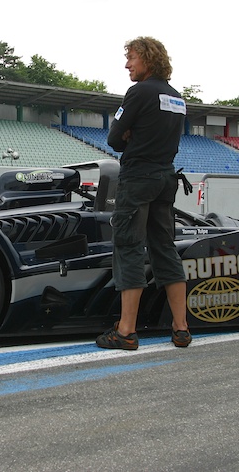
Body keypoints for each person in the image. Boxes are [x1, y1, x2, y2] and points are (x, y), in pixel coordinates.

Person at [95, 36, 191, 350]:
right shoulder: (177, 97)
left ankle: (125, 331)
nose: (127, 64)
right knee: (165, 248)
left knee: (129, 246)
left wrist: (129, 135)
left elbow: (114, 139)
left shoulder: (139, 92)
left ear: (147, 59)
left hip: (138, 179)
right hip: (166, 177)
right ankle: (181, 328)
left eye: (132, 58)